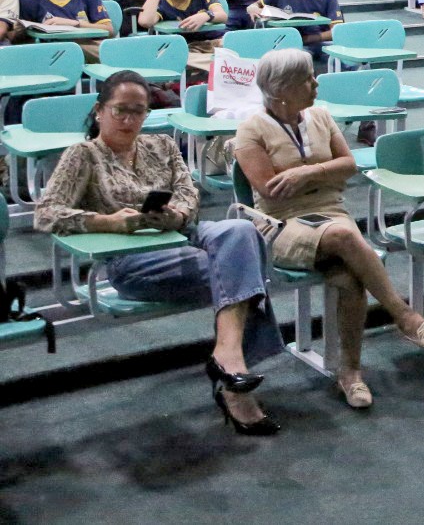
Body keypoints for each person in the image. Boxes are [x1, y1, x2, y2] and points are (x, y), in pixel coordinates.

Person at [34, 73, 284, 433]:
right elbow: (47, 213)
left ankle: (228, 358)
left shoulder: (162, 146)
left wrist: (176, 214)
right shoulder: (84, 155)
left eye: (138, 112)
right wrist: (107, 222)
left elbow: (188, 194)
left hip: (184, 237)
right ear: (99, 111)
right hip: (133, 262)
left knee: (242, 231)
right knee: (246, 265)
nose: (129, 120)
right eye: (120, 111)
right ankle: (235, 386)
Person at [235, 49, 424, 407]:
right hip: (280, 224)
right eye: (307, 79)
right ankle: (404, 315)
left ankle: (350, 373)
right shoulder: (251, 130)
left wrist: (309, 172)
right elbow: (270, 189)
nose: (315, 84)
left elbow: (348, 164)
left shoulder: (321, 115)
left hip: (330, 211)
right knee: (345, 235)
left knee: (350, 279)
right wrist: (326, 171)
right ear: (282, 89)